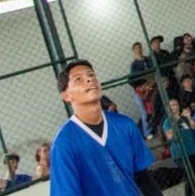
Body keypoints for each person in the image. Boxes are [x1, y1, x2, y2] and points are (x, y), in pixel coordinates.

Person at [49, 60, 162, 195]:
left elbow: (144, 178)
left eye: (92, 75)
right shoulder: (63, 144)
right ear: (66, 95)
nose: (90, 80)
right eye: (78, 79)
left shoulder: (125, 125)